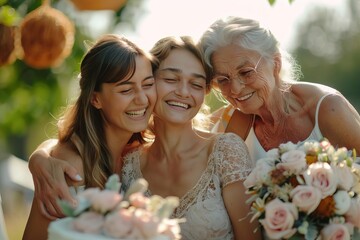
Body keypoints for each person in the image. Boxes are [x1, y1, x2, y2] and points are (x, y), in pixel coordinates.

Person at [120, 35, 260, 239]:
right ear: (148, 82)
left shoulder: (225, 151)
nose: (183, 92)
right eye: (170, 79)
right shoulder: (127, 164)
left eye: (196, 84)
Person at [22, 34, 157, 240]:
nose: (142, 99)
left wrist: (40, 153)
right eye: (126, 89)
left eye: (148, 84)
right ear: (95, 99)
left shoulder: (141, 149)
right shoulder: (72, 166)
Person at [197, 16, 360, 161]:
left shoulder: (328, 108)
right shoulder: (227, 123)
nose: (235, 89)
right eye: (223, 79)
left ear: (275, 63)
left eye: (246, 72)